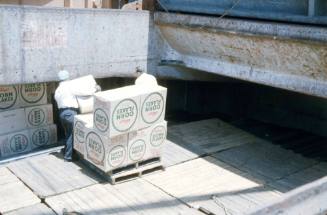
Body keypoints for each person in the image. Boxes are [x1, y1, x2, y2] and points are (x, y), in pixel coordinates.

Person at [54, 70, 100, 162]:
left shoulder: (57, 90)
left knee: (68, 134)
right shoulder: (69, 87)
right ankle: (68, 157)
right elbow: (82, 92)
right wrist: (95, 89)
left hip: (62, 113)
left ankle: (68, 151)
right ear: (67, 77)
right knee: (72, 134)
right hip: (70, 112)